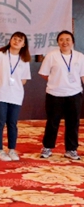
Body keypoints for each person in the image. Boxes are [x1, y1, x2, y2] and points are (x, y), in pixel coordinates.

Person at [39, 30, 83, 160]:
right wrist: (56, 81)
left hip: (74, 94)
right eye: (61, 40)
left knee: (73, 123)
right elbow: (44, 74)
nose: (65, 42)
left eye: (67, 39)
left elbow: (83, 75)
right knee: (52, 122)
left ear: (72, 42)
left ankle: (71, 149)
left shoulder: (80, 57)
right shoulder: (51, 56)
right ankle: (47, 147)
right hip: (55, 94)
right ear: (58, 42)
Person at [0, 32, 31, 161]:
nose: (16, 41)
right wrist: (0, 83)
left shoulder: (24, 60)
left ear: (23, 44)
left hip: (15, 95)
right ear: (10, 40)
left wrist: (13, 84)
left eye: (20, 40)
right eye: (14, 39)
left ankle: (12, 150)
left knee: (12, 123)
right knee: (0, 122)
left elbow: (24, 80)